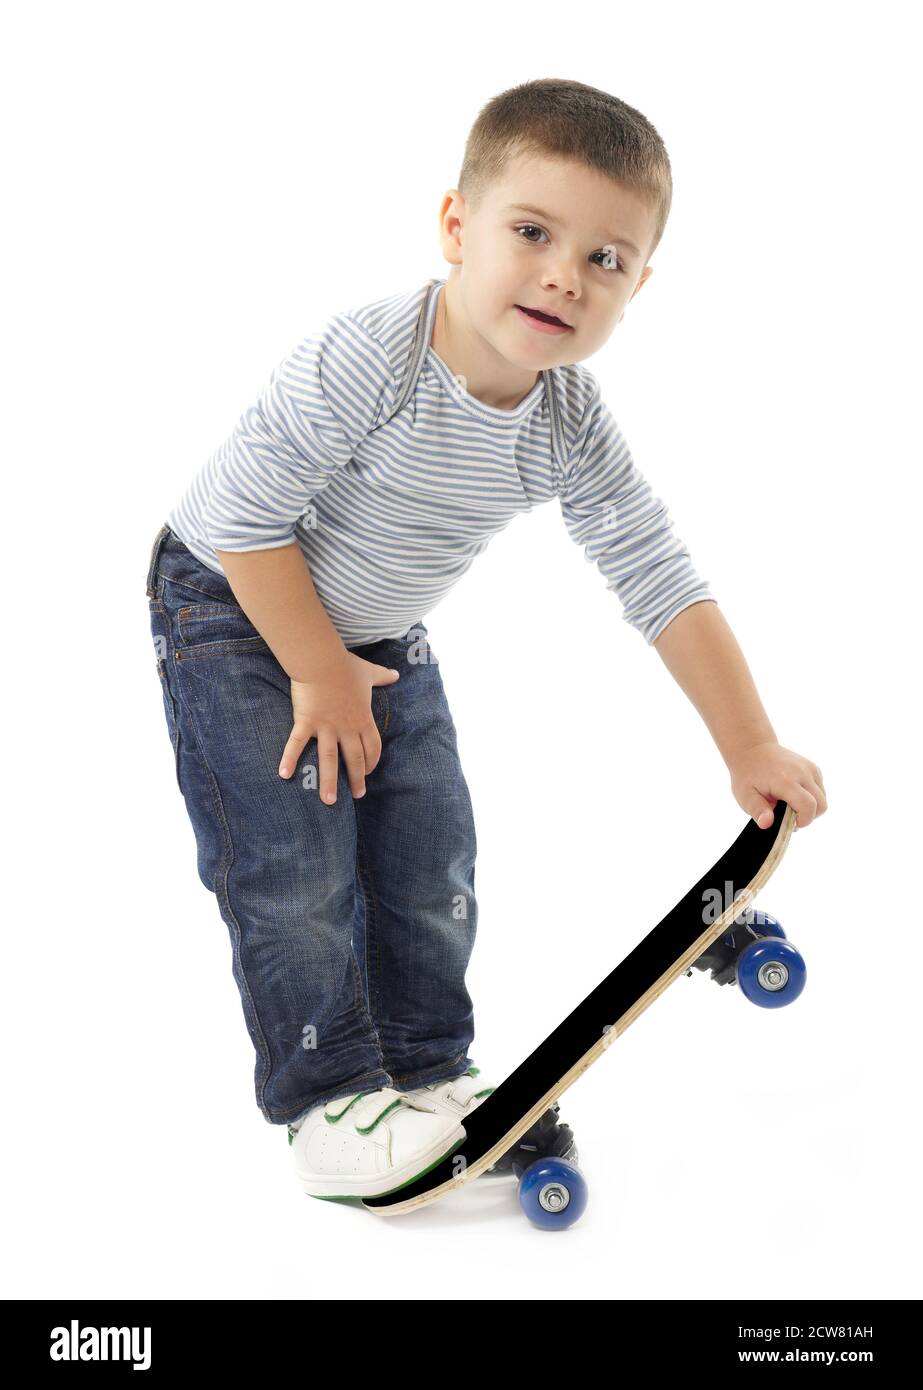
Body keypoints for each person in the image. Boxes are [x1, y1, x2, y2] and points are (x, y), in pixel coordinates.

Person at [146, 78, 827, 1201]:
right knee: (292, 860)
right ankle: (327, 1099)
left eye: (606, 259)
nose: (566, 272)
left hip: (372, 630)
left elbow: (657, 575)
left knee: (428, 853)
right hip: (228, 598)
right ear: (457, 227)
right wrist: (316, 671)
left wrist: (747, 744)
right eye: (531, 232)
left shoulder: (566, 421)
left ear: (636, 287)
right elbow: (241, 523)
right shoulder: (370, 358)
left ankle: (423, 1072)